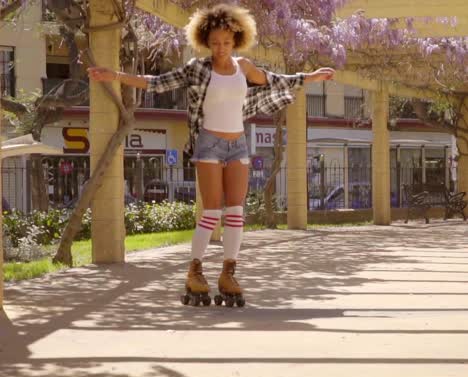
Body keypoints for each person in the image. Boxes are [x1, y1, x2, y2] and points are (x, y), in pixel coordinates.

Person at [88, 3, 334, 306]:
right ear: (205, 41)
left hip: (238, 144)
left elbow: (274, 80)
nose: (220, 48)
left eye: (226, 42)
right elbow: (158, 83)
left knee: (236, 212)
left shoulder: (243, 66)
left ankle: (228, 273)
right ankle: (195, 271)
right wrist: (114, 75)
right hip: (208, 144)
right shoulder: (198, 69)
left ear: (237, 40)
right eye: (215, 43)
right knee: (211, 212)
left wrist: (311, 78)